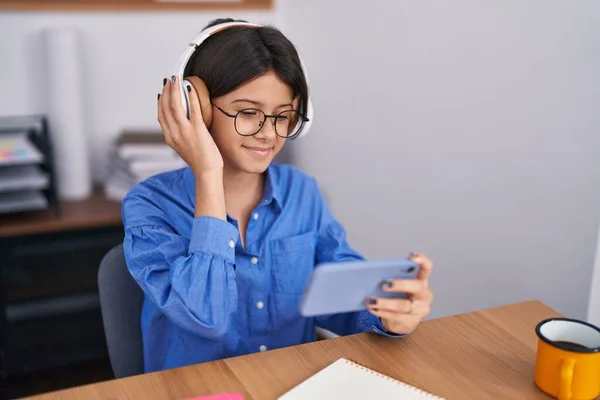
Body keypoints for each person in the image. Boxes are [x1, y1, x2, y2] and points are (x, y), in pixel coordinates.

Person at [122, 17, 435, 373]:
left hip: (290, 384)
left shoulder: (302, 192)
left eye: (283, 116)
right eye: (248, 113)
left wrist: (388, 311)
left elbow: (341, 298)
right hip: (200, 391)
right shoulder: (148, 204)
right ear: (196, 110)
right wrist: (208, 172)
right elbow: (205, 318)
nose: (268, 134)